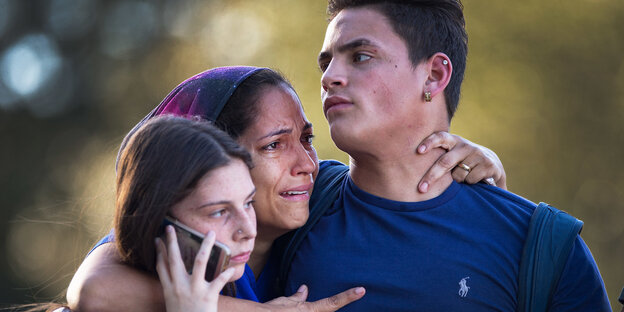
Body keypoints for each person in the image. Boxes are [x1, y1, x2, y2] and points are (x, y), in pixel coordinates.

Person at [66, 66, 506, 311]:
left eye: (307, 139)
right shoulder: (173, 242)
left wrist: (490, 184)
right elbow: (96, 290)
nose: (307, 165)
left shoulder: (325, 198)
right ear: (210, 163)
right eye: (275, 144)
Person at [283, 0, 611, 311]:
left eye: (361, 56)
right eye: (326, 64)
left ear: (435, 75)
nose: (329, 78)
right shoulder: (287, 203)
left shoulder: (545, 248)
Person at [115, 116, 253, 311]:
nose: (249, 230)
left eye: (248, 203)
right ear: (159, 224)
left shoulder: (240, 286)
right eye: (219, 212)